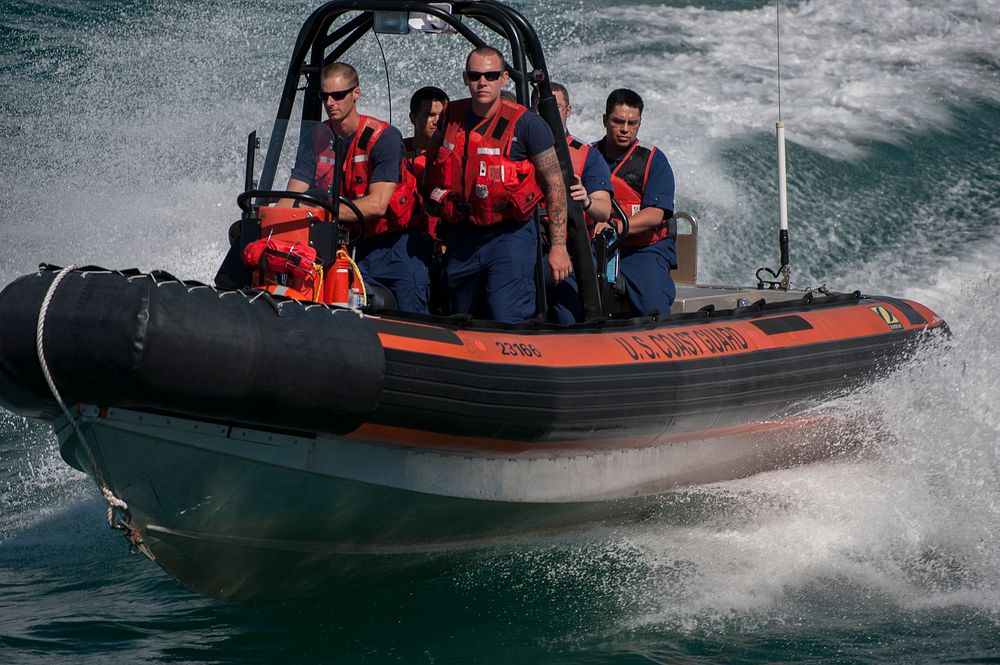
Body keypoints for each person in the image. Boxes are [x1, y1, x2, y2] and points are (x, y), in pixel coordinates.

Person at [424, 46, 571, 323]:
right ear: (465, 78)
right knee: (457, 315)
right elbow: (433, 162)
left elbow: (554, 183)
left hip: (509, 235)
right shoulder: (450, 116)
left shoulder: (527, 125)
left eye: (491, 75)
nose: (483, 82)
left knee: (507, 314)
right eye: (476, 75)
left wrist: (558, 246)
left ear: (504, 78)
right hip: (462, 235)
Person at [282, 62, 429, 313]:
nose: (330, 103)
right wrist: (274, 221)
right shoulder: (316, 138)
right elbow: (291, 198)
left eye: (338, 95)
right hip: (340, 245)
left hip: (394, 246)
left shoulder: (384, 138)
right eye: (324, 96)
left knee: (411, 316)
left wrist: (320, 212)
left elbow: (378, 204)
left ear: (356, 94)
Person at [532, 82, 614, 323]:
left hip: (570, 248)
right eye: (541, 107)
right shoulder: (519, 148)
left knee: (568, 316)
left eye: (554, 107)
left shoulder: (587, 155)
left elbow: (604, 209)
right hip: (527, 244)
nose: (547, 114)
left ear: (568, 111)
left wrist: (586, 200)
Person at [593, 88, 677, 316]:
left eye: (632, 123)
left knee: (654, 307)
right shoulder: (588, 156)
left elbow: (655, 214)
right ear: (604, 120)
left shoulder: (653, 160)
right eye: (618, 121)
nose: (624, 129)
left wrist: (616, 227)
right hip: (593, 248)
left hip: (642, 250)